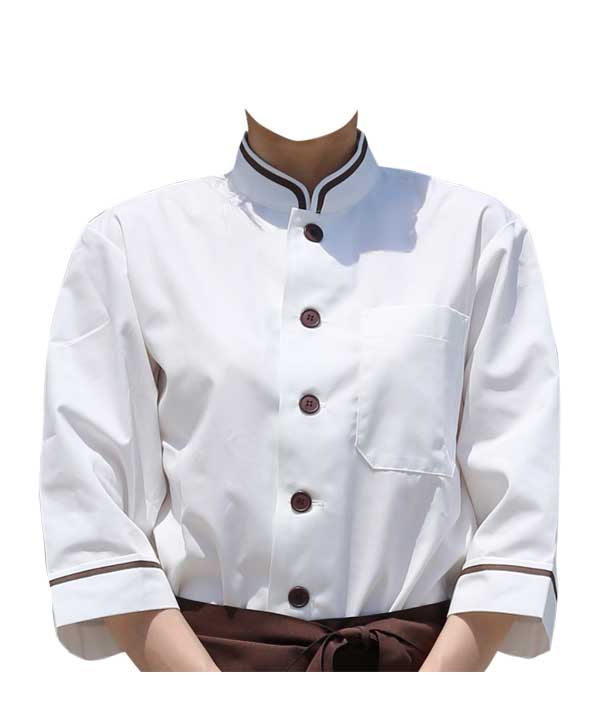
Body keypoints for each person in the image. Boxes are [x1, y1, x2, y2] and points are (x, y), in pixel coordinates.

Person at [38, 111, 560, 671]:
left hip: (422, 673)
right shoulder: (133, 241)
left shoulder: (477, 234)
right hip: (200, 673)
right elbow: (92, 505)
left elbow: (518, 510)